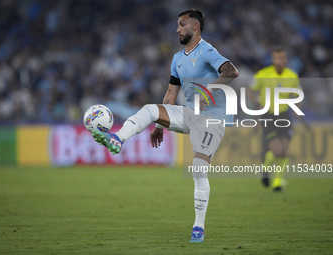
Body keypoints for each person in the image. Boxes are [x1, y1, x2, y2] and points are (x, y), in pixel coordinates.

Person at [92, 9, 238, 242]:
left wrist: (208, 92)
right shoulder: (178, 59)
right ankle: (117, 139)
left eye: (182, 25)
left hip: (212, 119)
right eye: (177, 25)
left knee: (199, 170)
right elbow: (171, 93)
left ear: (195, 27)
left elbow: (231, 71)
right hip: (189, 113)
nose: (177, 29)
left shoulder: (208, 51)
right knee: (150, 109)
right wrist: (160, 125)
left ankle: (198, 227)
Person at [248, 46, 302, 192]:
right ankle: (266, 168)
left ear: (285, 59)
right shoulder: (263, 74)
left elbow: (297, 94)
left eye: (281, 58)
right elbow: (250, 90)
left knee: (284, 151)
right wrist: (258, 104)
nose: (279, 61)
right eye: (276, 58)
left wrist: (297, 108)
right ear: (272, 59)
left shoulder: (292, 76)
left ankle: (277, 183)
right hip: (268, 115)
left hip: (284, 115)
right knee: (277, 150)